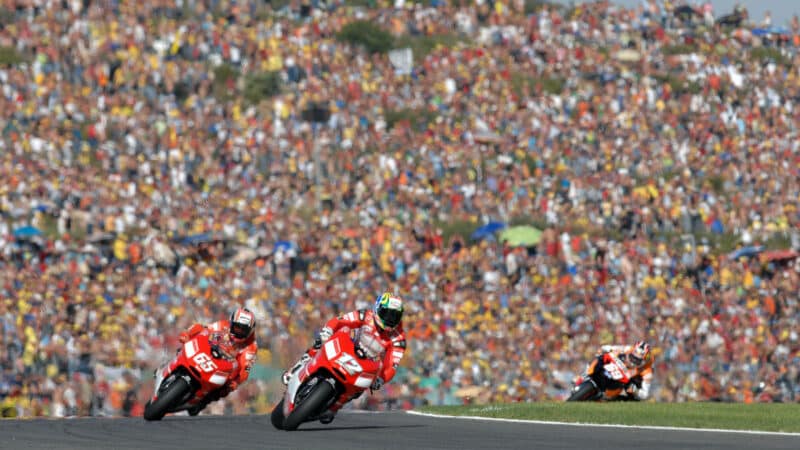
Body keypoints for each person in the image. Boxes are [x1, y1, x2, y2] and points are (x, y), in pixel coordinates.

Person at [281, 292, 406, 423]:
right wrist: (327, 331)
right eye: (387, 313)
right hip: (349, 346)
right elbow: (340, 321)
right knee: (320, 343)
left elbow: (391, 365)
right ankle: (297, 367)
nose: (390, 319)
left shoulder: (399, 339)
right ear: (377, 308)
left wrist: (380, 380)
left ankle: (334, 407)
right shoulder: (365, 315)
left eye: (395, 316)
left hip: (368, 363)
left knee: (360, 389)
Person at [178, 307, 258, 414]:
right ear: (231, 323)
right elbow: (204, 329)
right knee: (184, 346)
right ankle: (171, 363)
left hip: (223, 369)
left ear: (250, 330)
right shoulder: (222, 325)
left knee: (223, 391)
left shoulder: (251, 346)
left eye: (243, 329)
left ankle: (203, 402)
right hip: (205, 354)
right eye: (237, 327)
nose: (239, 331)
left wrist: (235, 383)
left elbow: (244, 370)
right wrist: (188, 333)